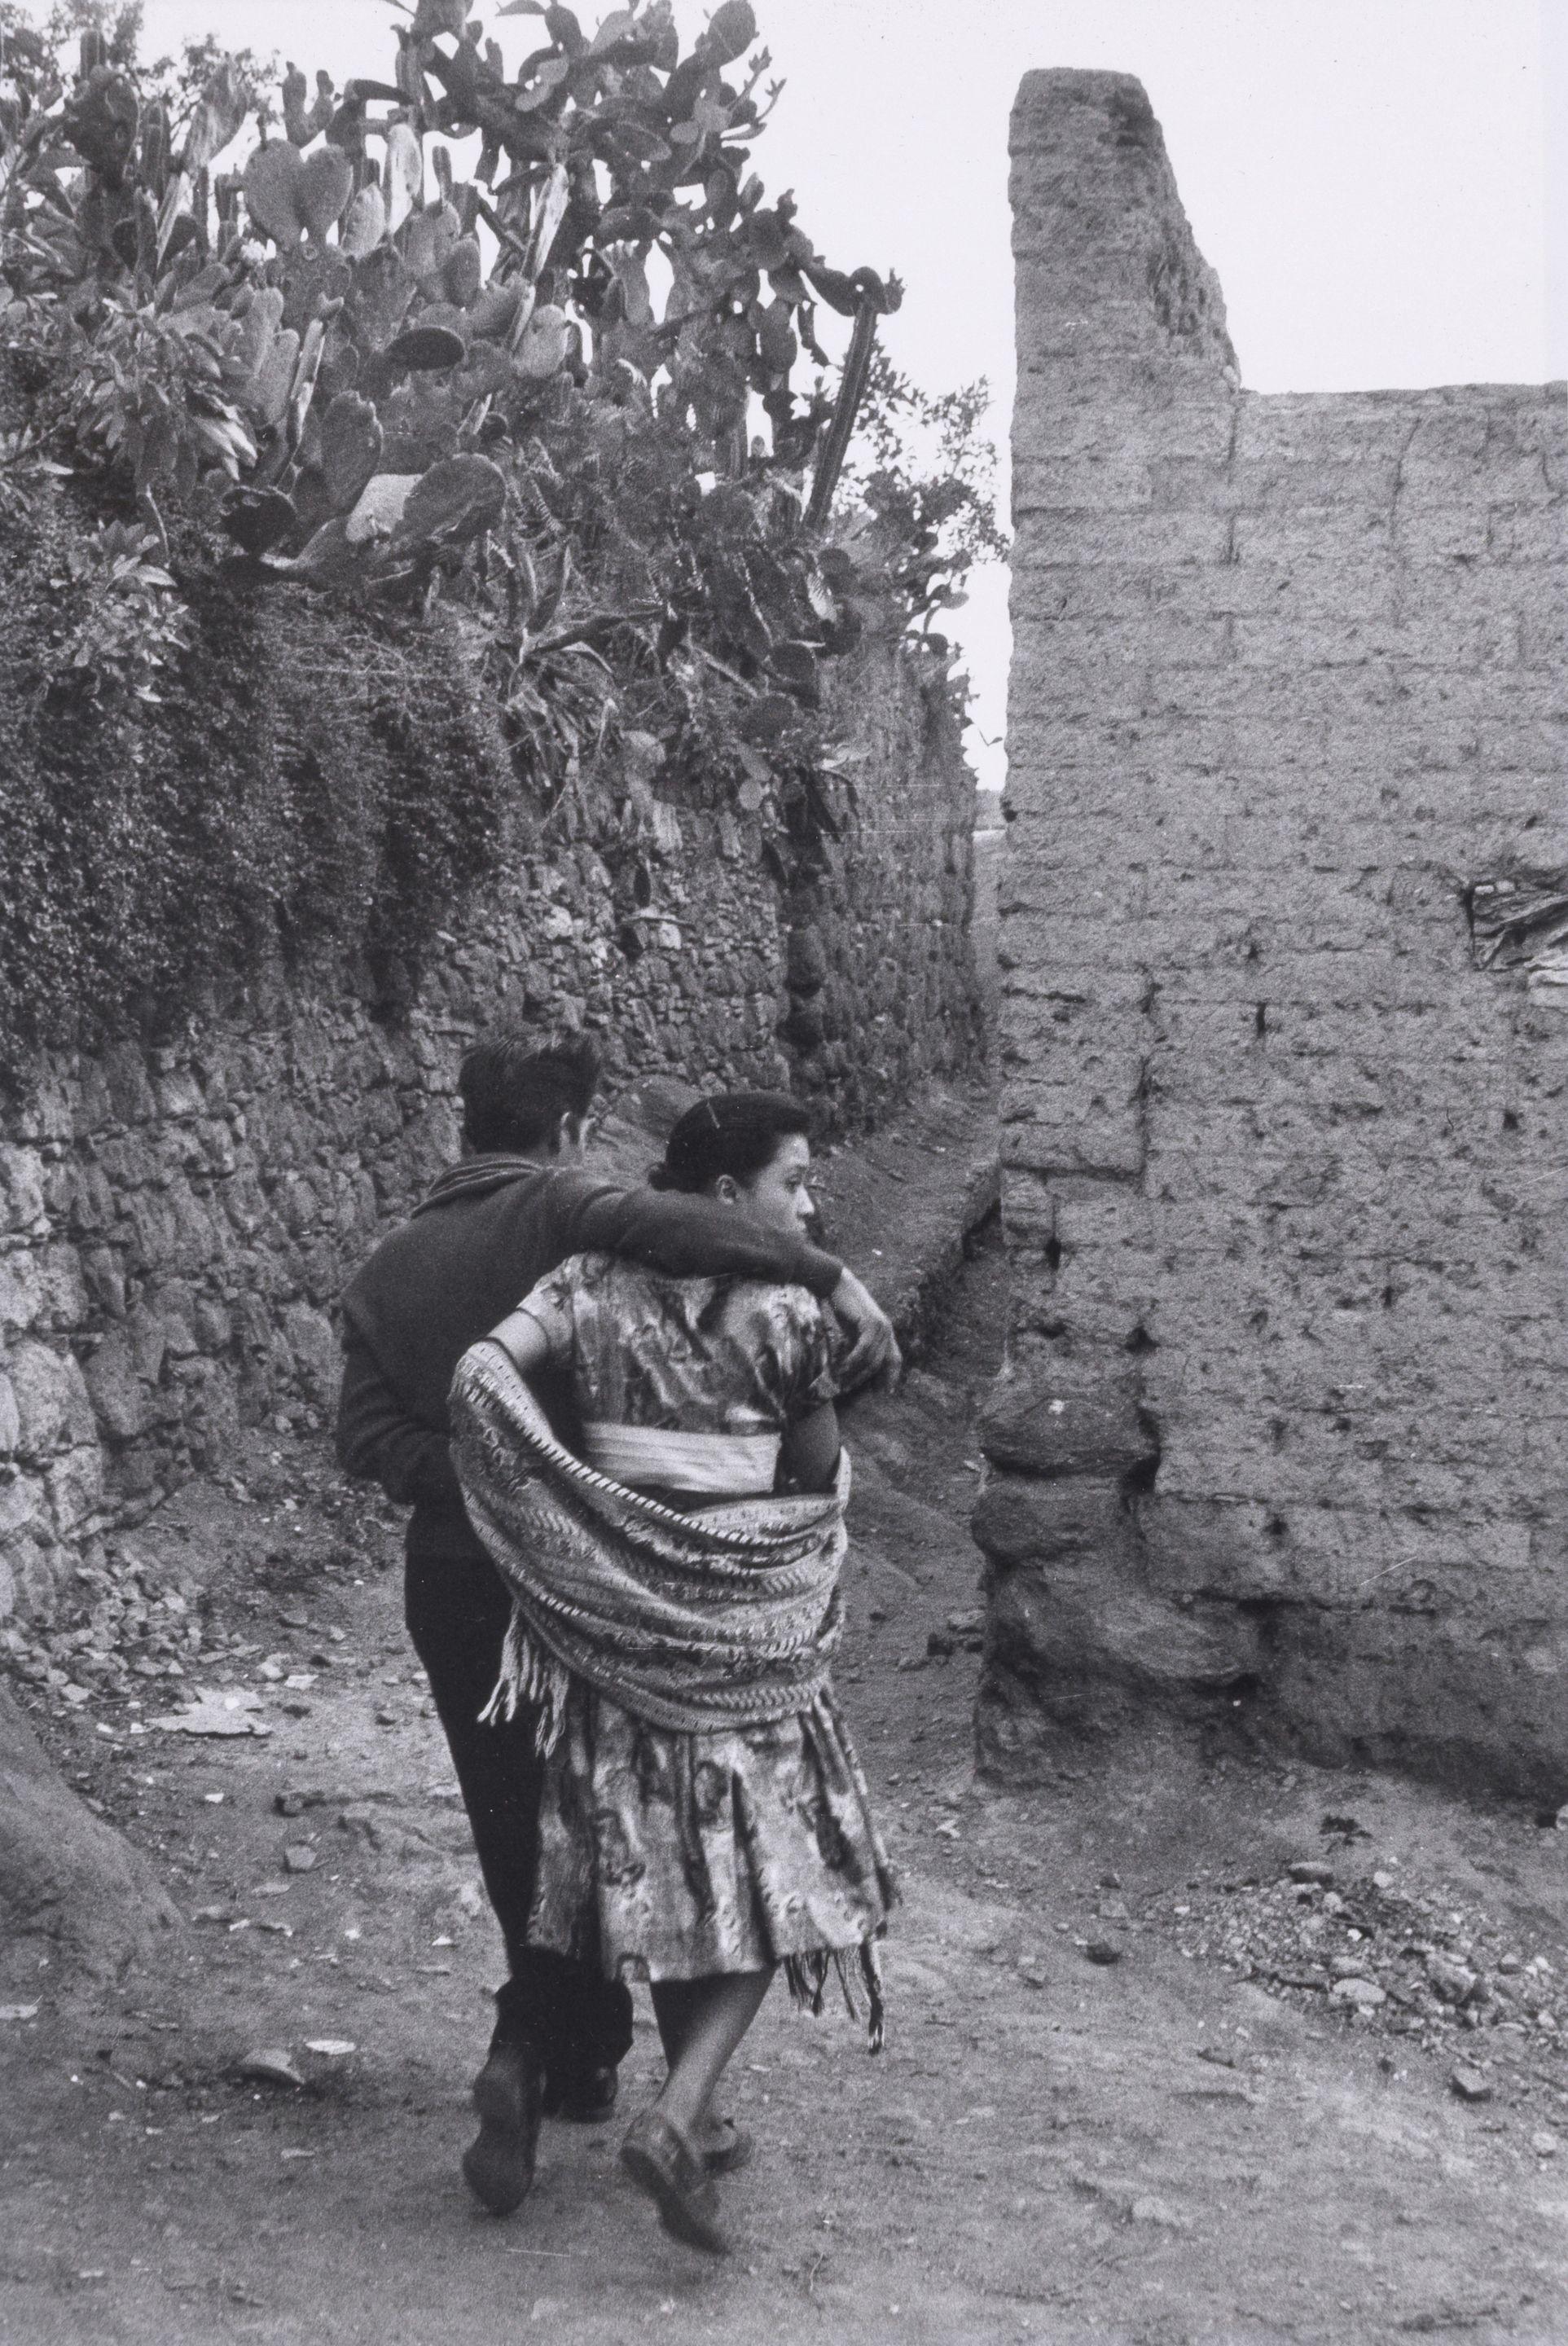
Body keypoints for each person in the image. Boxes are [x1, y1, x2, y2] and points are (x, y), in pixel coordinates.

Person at [335, 1035, 898, 2220]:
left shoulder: (385, 1268)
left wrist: (483, 1473)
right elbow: (694, 1235)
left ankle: (549, 2062)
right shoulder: (571, 1214)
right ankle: (594, 2069)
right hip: (587, 1580)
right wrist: (830, 1275)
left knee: (519, 1834)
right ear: (571, 1131)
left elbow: (366, 1442)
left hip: (450, 1582)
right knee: (592, 1830)